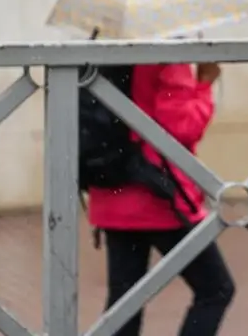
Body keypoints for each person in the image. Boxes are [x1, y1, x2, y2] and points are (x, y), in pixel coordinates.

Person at [88, 61, 235, 336]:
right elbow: (182, 127)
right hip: (159, 198)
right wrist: (204, 85)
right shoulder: (167, 56)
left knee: (124, 305)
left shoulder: (104, 51)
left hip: (111, 193)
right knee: (215, 289)